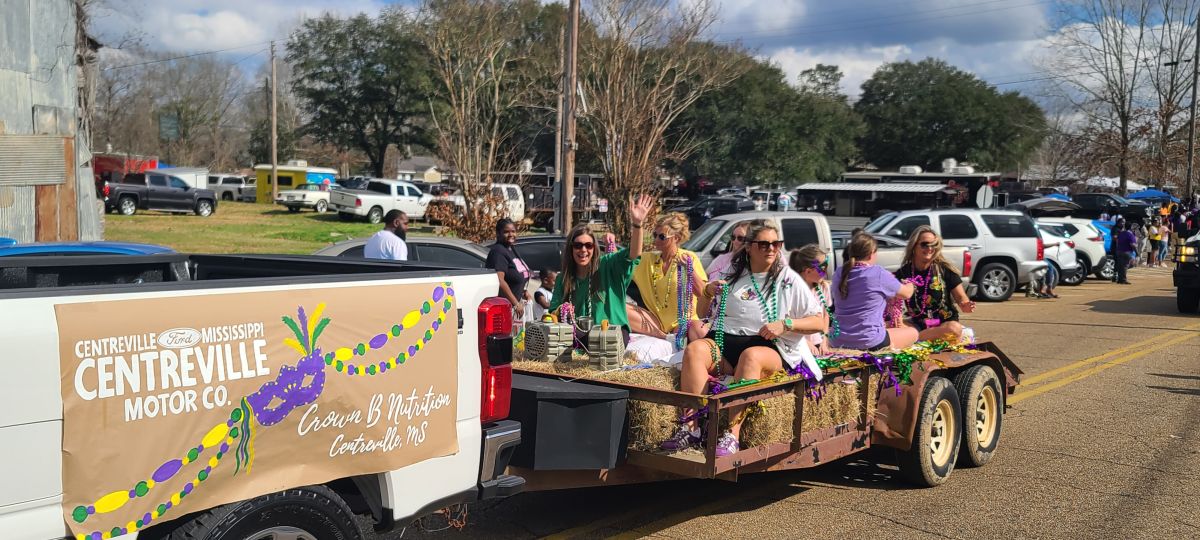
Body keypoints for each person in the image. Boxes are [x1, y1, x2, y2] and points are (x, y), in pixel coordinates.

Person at [662, 222, 825, 456]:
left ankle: (731, 434)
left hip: (769, 347)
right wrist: (707, 291)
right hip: (725, 341)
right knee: (695, 349)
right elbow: (702, 312)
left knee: (750, 357)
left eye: (776, 244)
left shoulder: (788, 279)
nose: (771, 249)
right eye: (764, 244)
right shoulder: (732, 272)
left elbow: (818, 321)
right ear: (749, 247)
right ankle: (691, 427)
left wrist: (786, 324)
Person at [549, 194, 654, 339]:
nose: (583, 250)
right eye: (578, 245)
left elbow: (634, 254)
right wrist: (563, 310)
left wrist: (637, 225)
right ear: (571, 249)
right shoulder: (564, 278)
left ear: (594, 248)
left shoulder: (607, 265)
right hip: (580, 333)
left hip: (612, 333)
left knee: (602, 346)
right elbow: (553, 310)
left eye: (588, 245)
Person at [629, 212, 710, 344]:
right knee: (622, 308)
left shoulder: (689, 257)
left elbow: (702, 292)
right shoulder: (649, 259)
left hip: (683, 323)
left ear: (676, 238)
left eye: (662, 237)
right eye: (655, 235)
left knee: (700, 330)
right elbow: (630, 258)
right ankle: (664, 338)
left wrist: (689, 271)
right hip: (655, 324)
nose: (656, 240)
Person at [830, 233, 918, 351]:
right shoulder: (878, 273)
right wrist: (911, 284)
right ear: (872, 253)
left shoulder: (839, 273)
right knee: (913, 333)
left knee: (889, 328)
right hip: (869, 340)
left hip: (838, 339)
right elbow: (907, 294)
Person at [893, 226, 976, 341]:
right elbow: (892, 300)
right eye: (925, 244)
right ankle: (921, 337)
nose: (930, 248)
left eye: (934, 245)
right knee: (888, 326)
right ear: (914, 246)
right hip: (917, 324)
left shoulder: (944, 270)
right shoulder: (903, 273)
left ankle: (915, 339)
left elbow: (961, 297)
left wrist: (966, 305)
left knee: (954, 329)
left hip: (944, 325)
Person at [789, 244, 833, 355]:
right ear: (808, 271)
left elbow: (825, 315)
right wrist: (806, 343)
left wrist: (824, 341)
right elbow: (789, 320)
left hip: (818, 342)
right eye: (823, 268)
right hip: (798, 343)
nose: (826, 272)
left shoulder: (824, 287)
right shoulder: (792, 290)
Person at [486, 218, 532, 319]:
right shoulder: (498, 252)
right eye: (506, 232)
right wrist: (515, 303)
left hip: (514, 306)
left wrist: (523, 291)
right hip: (504, 309)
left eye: (513, 231)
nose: (511, 234)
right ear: (498, 233)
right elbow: (499, 280)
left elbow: (515, 275)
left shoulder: (510, 248)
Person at [1113, 219, 1136, 285]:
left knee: (1120, 266)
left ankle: (1120, 279)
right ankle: (1123, 279)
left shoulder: (1121, 233)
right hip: (1127, 251)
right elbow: (1132, 245)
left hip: (1119, 251)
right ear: (1131, 227)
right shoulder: (1130, 234)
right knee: (1125, 266)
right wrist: (1136, 252)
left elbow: (1117, 241)